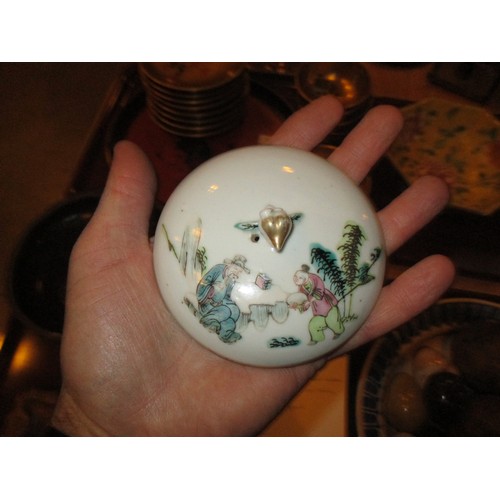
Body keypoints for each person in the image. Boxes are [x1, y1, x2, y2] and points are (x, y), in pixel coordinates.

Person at [51, 95, 455, 436]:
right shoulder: (220, 268)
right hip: (226, 307)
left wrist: (92, 430)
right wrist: (92, 426)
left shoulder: (297, 270)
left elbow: (275, 281)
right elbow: (227, 281)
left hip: (293, 308)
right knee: (228, 313)